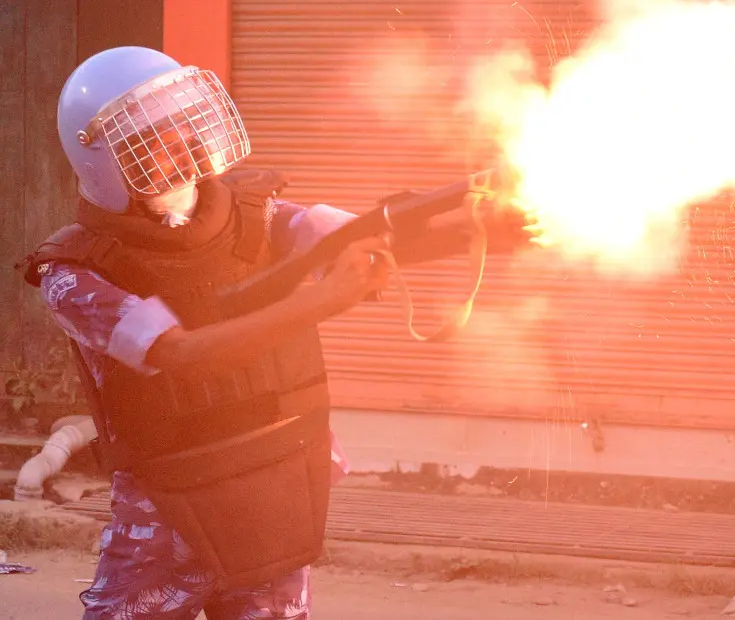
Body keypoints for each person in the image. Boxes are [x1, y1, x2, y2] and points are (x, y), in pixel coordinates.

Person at [17, 46, 531, 619]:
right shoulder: (75, 272)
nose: (182, 139)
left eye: (182, 121)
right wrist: (324, 300)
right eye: (152, 134)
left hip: (277, 477)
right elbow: (179, 354)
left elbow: (355, 237)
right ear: (103, 158)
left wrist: (487, 227)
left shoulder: (255, 214)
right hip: (169, 502)